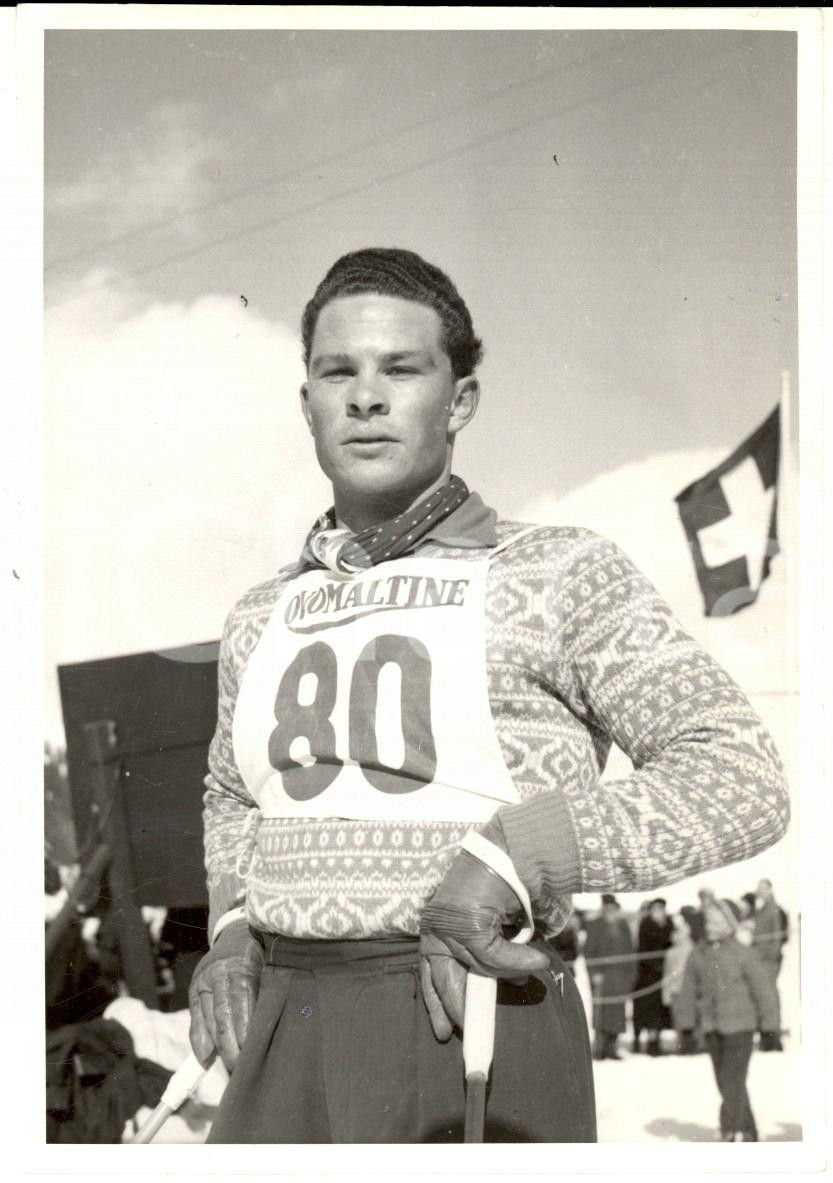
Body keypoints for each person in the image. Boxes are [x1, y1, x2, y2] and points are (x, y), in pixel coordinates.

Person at [187, 247, 789, 1143]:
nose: (365, 396)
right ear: (306, 401)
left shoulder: (554, 571)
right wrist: (233, 926)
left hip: (470, 1004)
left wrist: (516, 854)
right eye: (336, 371)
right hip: (283, 1020)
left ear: (459, 399)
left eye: (402, 368)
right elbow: (233, 794)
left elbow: (740, 776)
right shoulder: (259, 612)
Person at [676, 899, 780, 1141]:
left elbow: (764, 991)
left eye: (717, 921)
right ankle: (749, 1132)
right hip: (712, 1027)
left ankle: (730, 1131)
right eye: (709, 920)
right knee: (726, 1082)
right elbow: (688, 990)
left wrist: (769, 1028)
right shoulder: (698, 952)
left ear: (730, 925)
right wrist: (686, 1025)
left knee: (732, 1080)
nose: (710, 925)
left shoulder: (742, 953)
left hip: (740, 1027)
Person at [584, 895, 636, 1061]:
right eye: (608, 908)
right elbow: (588, 952)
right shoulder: (595, 926)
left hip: (620, 976)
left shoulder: (623, 926)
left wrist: (631, 974)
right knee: (602, 1012)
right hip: (603, 977)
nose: (611, 912)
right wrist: (594, 974)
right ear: (604, 908)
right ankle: (600, 1048)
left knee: (618, 1013)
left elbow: (631, 951)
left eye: (614, 908)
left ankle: (613, 1047)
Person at [632, 897, 674, 1055]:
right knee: (644, 1010)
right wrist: (656, 965)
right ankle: (639, 1041)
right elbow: (643, 949)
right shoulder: (646, 924)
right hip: (646, 975)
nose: (659, 912)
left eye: (661, 908)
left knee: (657, 1011)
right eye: (656, 908)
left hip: (662, 974)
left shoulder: (668, 924)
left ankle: (654, 1042)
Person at [752, 878, 788, 1051]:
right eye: (759, 889)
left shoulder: (773, 909)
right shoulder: (761, 909)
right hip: (760, 960)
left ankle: (773, 1039)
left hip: (768, 961)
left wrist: (772, 957)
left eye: (763, 888)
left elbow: (777, 936)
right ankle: (768, 1036)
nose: (760, 891)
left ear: (770, 890)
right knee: (764, 998)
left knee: (769, 998)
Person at [663, 913, 696, 1054]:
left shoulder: (692, 949)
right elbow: (667, 973)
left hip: (689, 990)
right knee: (678, 1020)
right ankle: (681, 1045)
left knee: (690, 1019)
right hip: (675, 990)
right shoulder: (670, 953)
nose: (677, 936)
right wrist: (665, 993)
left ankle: (692, 1045)